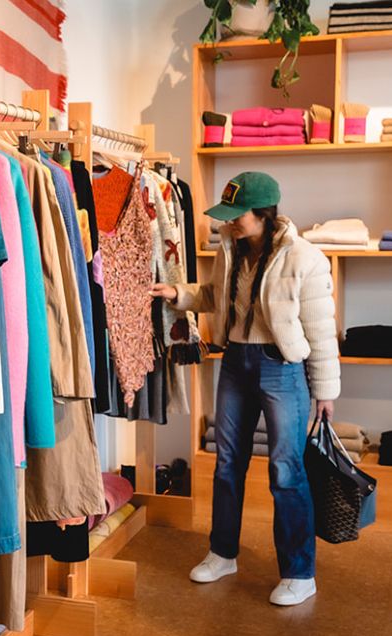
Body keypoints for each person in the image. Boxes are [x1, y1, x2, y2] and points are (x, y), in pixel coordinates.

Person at [151, 172, 340, 606]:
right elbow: (218, 295)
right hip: (235, 361)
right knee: (226, 464)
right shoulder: (230, 248)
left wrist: (325, 390)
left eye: (239, 216)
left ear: (265, 214)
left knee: (286, 470)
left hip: (280, 367)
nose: (230, 223)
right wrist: (179, 293)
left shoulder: (305, 259)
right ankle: (222, 553)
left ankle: (299, 571)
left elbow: (321, 330)